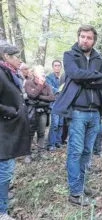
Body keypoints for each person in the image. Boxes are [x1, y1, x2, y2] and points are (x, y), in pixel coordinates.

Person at [52, 24, 102, 205]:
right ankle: (75, 193)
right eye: (83, 36)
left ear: (94, 40)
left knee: (87, 151)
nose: (85, 40)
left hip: (95, 113)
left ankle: (82, 184)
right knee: (75, 151)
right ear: (78, 37)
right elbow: (74, 74)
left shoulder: (98, 57)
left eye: (89, 37)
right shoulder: (70, 55)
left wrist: (87, 79)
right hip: (77, 111)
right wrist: (95, 76)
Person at [0, 43, 30, 220]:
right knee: (4, 170)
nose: (19, 58)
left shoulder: (10, 73)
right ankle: (2, 211)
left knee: (6, 168)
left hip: (10, 129)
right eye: (16, 55)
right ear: (6, 56)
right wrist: (11, 112)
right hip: (3, 130)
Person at [25, 65, 55, 161]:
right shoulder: (29, 83)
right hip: (32, 111)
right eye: (39, 70)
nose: (42, 72)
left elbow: (52, 97)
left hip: (43, 112)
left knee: (41, 133)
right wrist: (40, 86)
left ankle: (40, 152)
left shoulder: (47, 85)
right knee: (30, 133)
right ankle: (27, 154)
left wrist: (38, 98)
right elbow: (32, 95)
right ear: (34, 73)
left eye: (42, 70)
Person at [46, 60, 63, 152]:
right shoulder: (49, 77)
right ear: (53, 67)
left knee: (60, 124)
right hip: (54, 103)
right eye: (55, 65)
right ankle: (51, 144)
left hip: (62, 103)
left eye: (59, 65)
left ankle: (57, 141)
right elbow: (50, 88)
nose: (57, 67)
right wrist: (60, 91)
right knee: (55, 124)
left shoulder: (62, 77)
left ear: (61, 67)